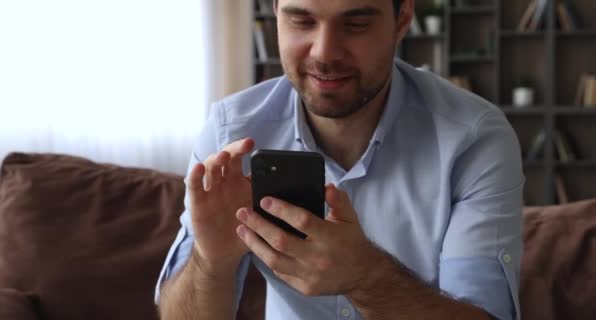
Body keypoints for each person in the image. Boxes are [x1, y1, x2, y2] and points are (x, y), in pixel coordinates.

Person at [155, 0, 524, 319]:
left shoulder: (474, 141)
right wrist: (210, 262)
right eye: (301, 21)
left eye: (356, 24)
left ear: (403, 17)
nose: (324, 52)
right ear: (276, 13)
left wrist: (365, 277)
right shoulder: (228, 134)